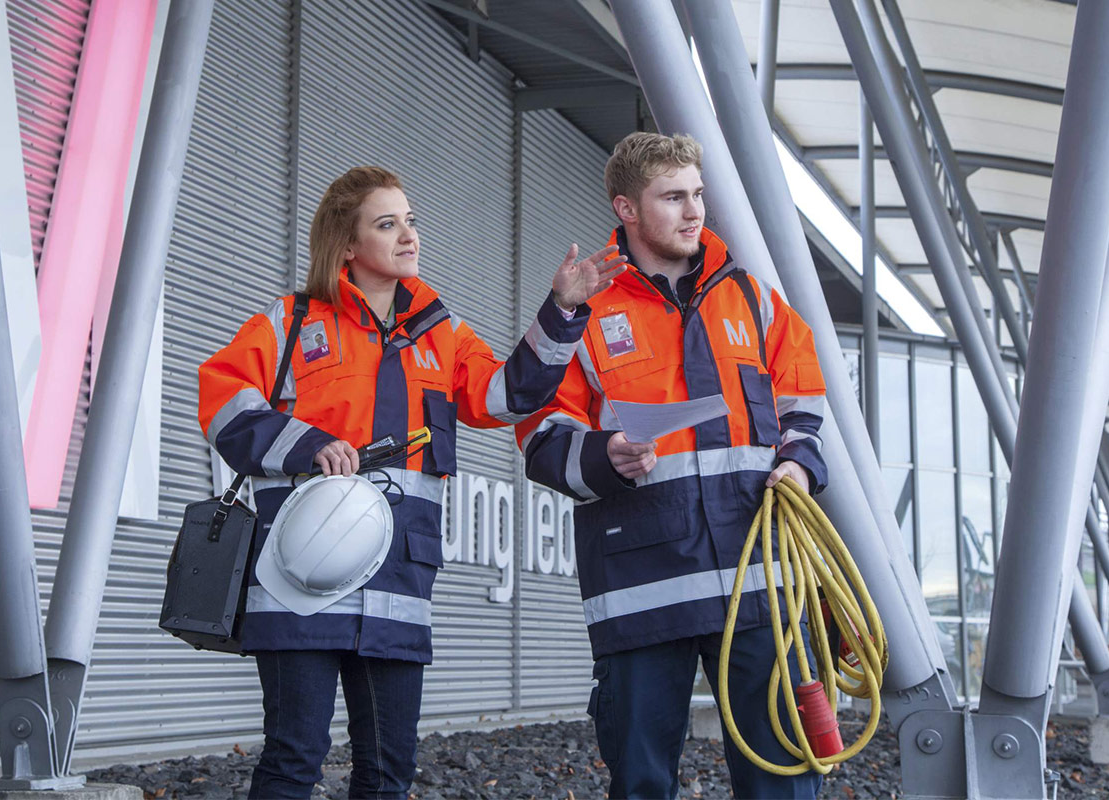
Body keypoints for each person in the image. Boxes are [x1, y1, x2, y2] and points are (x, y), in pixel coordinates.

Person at [197, 166, 624, 799]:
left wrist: (563, 311)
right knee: (294, 757)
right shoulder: (289, 323)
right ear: (347, 243)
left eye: (411, 220)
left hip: (396, 584)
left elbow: (507, 396)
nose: (408, 235)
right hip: (296, 582)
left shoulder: (441, 334)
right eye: (387, 223)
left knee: (388, 769)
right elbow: (223, 404)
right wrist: (309, 444)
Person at [516, 133, 829, 799]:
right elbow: (540, 437)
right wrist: (606, 456)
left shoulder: (753, 299)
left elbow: (805, 400)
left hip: (758, 582)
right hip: (642, 588)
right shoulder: (587, 314)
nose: (694, 212)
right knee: (641, 783)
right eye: (673, 197)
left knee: (784, 777)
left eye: (698, 195)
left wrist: (799, 465)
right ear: (626, 210)